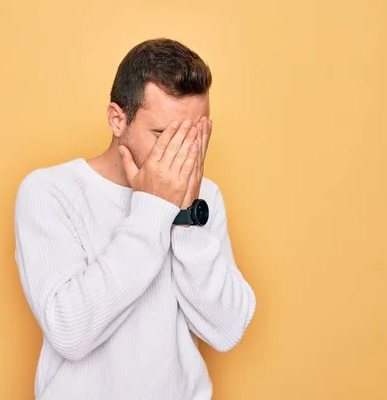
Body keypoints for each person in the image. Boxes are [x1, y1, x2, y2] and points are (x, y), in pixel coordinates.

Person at [14, 38, 256, 400]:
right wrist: (154, 209)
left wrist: (186, 217)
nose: (180, 156)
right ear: (117, 119)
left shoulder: (205, 196)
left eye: (192, 137)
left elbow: (226, 328)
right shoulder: (50, 191)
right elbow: (70, 331)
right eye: (163, 135)